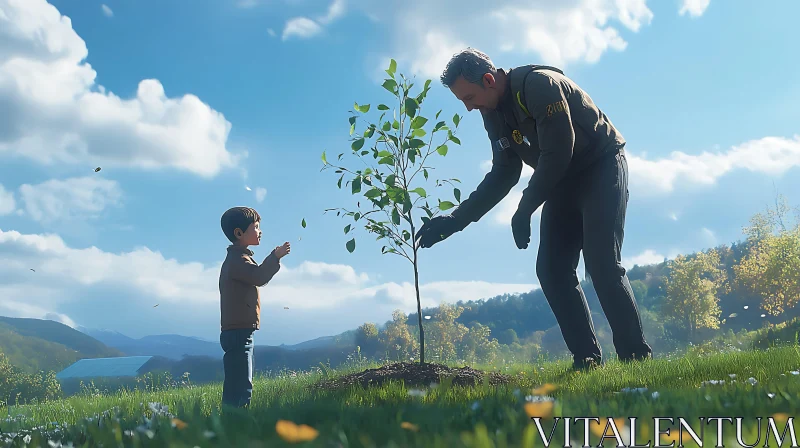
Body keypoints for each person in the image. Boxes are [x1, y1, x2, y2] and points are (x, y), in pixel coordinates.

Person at [414, 48, 652, 370]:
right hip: (560, 179)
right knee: (552, 270)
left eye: (469, 97)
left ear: (488, 79)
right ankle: (587, 361)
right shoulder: (493, 112)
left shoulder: (540, 85)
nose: (469, 108)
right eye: (463, 101)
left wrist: (524, 209)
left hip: (600, 166)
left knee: (602, 264)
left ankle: (636, 360)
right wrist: (455, 221)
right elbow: (504, 172)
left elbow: (558, 151)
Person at [219, 206, 290, 407]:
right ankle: (237, 423)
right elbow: (258, 276)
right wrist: (275, 257)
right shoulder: (237, 260)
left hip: (237, 330)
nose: (260, 231)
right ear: (239, 233)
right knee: (241, 384)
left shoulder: (237, 259)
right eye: (256, 227)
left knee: (237, 381)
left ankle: (232, 421)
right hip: (239, 331)